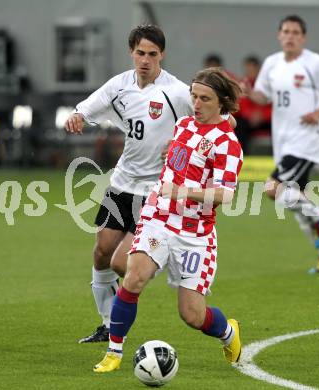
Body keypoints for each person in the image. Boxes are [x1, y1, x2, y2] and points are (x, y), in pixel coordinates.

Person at [93, 67, 243, 373]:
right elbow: (179, 157)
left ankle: (228, 332)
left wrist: (182, 190)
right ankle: (114, 351)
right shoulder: (184, 125)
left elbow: (226, 195)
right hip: (158, 217)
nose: (196, 104)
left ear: (221, 103)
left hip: (195, 234)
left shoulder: (228, 144)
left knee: (192, 315)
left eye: (205, 99)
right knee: (134, 277)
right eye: (194, 96)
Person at [65, 25, 195, 343]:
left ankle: (159, 258)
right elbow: (89, 105)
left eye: (152, 54)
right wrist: (77, 116)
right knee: (101, 252)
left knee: (122, 264)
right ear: (131, 53)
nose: (146, 60)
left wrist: (185, 144)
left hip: (156, 191)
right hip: (122, 183)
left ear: (162, 54)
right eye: (140, 53)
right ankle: (107, 325)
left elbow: (214, 121)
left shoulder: (177, 92)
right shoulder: (120, 85)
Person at [244, 15, 319, 273]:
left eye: (295, 32)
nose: (290, 36)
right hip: (284, 141)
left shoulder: (316, 64)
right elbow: (261, 97)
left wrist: (318, 113)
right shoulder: (272, 64)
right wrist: (245, 90)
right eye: (286, 32)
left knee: (272, 189)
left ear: (303, 37)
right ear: (279, 35)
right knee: (299, 205)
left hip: (307, 139)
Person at [235, 55, 271, 154]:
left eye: (252, 69)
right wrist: (249, 115)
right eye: (248, 69)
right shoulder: (242, 84)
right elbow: (240, 105)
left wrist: (263, 116)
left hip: (266, 120)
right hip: (249, 121)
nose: (250, 72)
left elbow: (273, 104)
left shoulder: (267, 84)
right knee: (239, 125)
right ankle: (242, 157)